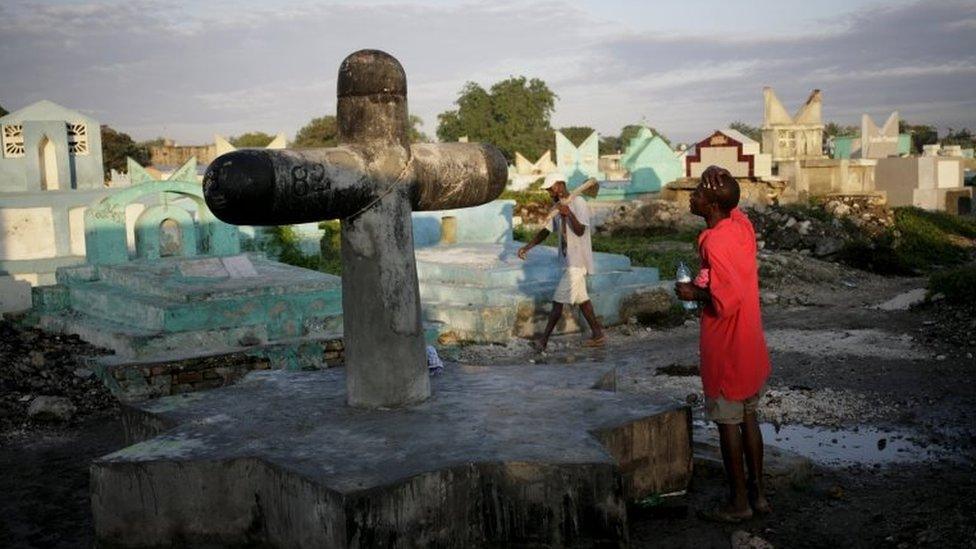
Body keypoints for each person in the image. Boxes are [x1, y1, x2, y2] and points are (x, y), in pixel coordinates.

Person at [675, 165, 772, 522]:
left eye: (699, 191)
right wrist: (724, 176)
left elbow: (723, 301)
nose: (692, 195)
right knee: (750, 418)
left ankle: (739, 503)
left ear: (712, 203)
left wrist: (692, 292)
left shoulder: (716, 241)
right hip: (750, 343)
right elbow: (737, 207)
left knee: (728, 425)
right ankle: (759, 496)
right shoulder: (739, 227)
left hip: (727, 347)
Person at [518, 172, 605, 351]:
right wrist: (528, 246)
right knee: (583, 300)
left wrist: (569, 214)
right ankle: (598, 335)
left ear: (559, 185)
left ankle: (543, 341)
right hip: (568, 260)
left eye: (550, 188)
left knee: (558, 301)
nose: (549, 192)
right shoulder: (557, 207)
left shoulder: (578, 203)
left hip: (578, 261)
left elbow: (581, 231)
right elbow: (546, 231)